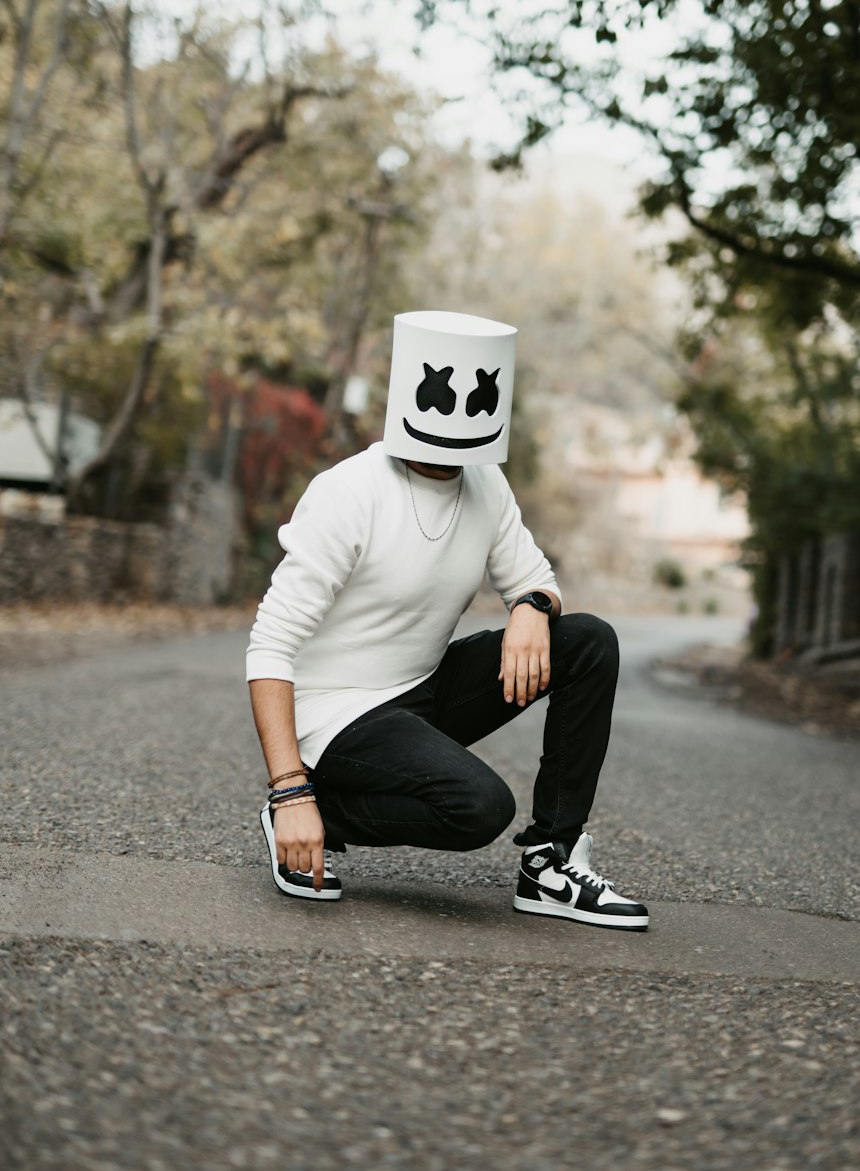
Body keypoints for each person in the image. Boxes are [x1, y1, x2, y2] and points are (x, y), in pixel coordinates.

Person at [246, 310, 647, 930]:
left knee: (589, 641)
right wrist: (290, 788)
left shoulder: (486, 482)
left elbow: (535, 578)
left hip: (424, 687)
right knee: (481, 809)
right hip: (337, 714)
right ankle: (314, 812)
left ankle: (550, 862)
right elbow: (270, 646)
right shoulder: (348, 492)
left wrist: (534, 608)